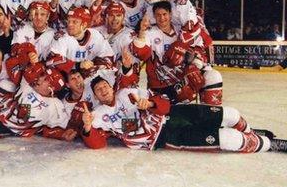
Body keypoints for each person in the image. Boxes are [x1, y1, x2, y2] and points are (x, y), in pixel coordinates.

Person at [80, 76, 286, 153]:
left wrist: (150, 103)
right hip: (165, 137)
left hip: (175, 114)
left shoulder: (128, 93)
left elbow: (164, 106)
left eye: (105, 86)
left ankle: (251, 133)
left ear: (111, 86)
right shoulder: (98, 115)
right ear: (96, 97)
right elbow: (98, 143)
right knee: (229, 139)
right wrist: (88, 128)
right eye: (98, 90)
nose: (103, 90)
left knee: (231, 114)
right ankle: (269, 145)